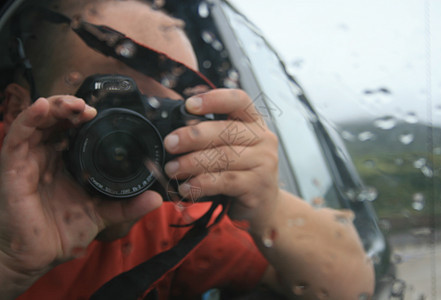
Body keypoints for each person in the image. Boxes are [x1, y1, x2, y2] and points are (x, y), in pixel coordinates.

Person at [0, 0, 375, 299]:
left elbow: (347, 286)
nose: (136, 140)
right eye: (114, 107)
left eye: (165, 115)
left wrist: (268, 206)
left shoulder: (170, 215)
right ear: (17, 109)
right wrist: (8, 264)